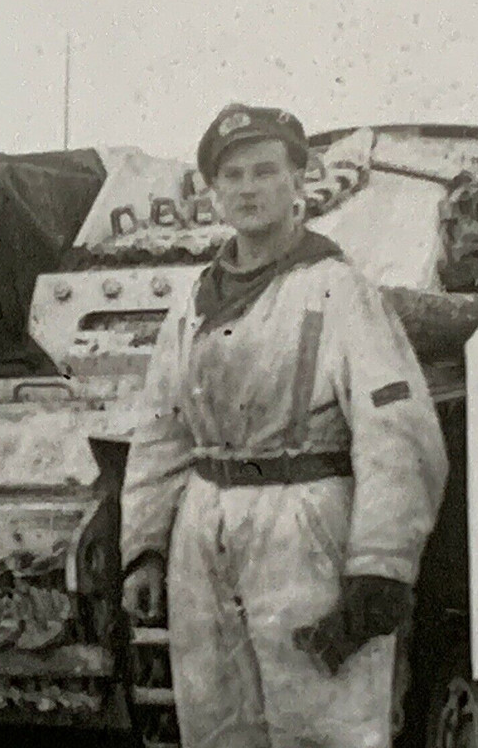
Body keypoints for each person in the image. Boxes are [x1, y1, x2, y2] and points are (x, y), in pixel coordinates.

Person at [120, 103, 449, 748]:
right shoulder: (190, 302)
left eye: (265, 172)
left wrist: (380, 564)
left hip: (306, 529)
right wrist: (146, 548)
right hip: (204, 530)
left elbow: (398, 433)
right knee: (217, 724)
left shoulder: (339, 289)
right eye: (232, 175)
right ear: (214, 191)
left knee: (323, 725)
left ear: (300, 181)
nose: (248, 188)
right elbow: (162, 431)